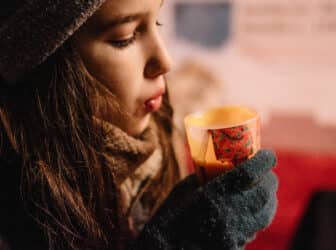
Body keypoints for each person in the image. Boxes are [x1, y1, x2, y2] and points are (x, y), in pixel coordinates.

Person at [0, 0, 278, 250]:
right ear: (48, 63)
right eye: (125, 38)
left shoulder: (160, 143)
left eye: (157, 22)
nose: (165, 61)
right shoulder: (17, 207)